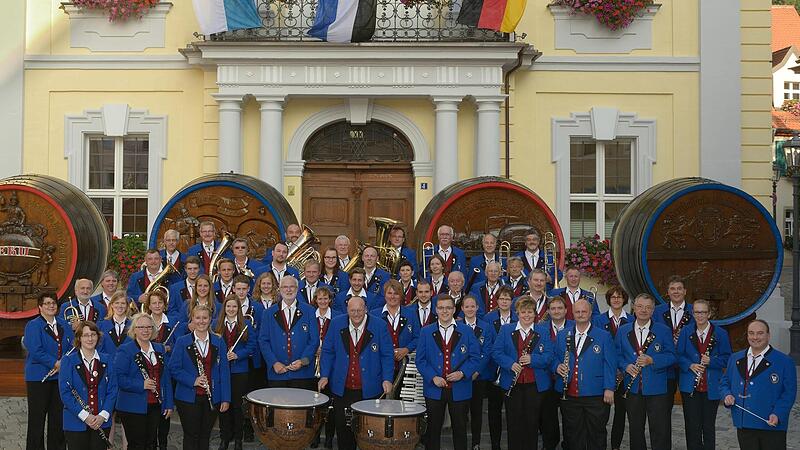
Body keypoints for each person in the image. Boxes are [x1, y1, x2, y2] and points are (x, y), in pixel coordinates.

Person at [318, 296, 394, 450]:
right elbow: (327, 351)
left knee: (369, 431)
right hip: (342, 389)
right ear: (347, 310)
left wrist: (387, 379)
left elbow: (387, 354)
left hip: (370, 389)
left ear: (366, 309)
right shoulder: (336, 323)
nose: (356, 314)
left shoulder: (379, 325)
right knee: (343, 430)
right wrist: (325, 375)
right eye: (352, 310)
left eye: (360, 310)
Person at [416, 294, 480, 450]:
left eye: (448, 308)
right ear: (436, 310)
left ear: (454, 310)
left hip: (460, 389)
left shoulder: (466, 330)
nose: (445, 311)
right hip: (434, 389)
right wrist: (433, 377)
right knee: (433, 430)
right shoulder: (426, 331)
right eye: (441, 308)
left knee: (460, 429)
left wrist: (463, 373)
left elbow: (475, 357)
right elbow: (420, 360)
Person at [721, 319, 796, 450]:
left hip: (771, 424)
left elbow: (789, 393)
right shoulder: (735, 358)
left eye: (760, 333)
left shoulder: (784, 361)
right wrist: (727, 395)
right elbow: (724, 382)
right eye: (751, 333)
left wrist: (778, 413)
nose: (755, 337)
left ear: (768, 335)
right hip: (745, 424)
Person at [492, 296, 554, 450]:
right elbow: (496, 352)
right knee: (513, 422)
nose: (527, 315)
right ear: (517, 313)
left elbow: (549, 356)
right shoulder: (506, 330)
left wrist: (533, 359)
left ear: (535, 314)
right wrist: (510, 364)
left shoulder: (543, 331)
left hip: (535, 385)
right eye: (523, 312)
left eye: (530, 312)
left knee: (532, 422)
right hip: (513, 384)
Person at [554, 299, 616, 450]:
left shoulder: (603, 335)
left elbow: (610, 364)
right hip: (569, 394)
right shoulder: (563, 335)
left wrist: (609, 388)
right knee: (573, 433)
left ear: (590, 313)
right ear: (572, 314)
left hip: (595, 394)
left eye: (584, 311)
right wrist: (557, 366)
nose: (581, 315)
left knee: (596, 433)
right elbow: (554, 357)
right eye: (577, 312)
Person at [616, 293, 676, 450]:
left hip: (657, 389)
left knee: (660, 430)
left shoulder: (663, 330)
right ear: (634, 308)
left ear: (653, 310)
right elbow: (617, 355)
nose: (644, 310)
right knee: (635, 430)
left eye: (648, 307)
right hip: (633, 389)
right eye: (640, 306)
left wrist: (653, 360)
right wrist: (625, 366)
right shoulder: (623, 331)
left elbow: (672, 356)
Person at [169, 304, 231, 450]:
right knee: (191, 435)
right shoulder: (182, 341)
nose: (201, 321)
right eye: (198, 318)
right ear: (192, 319)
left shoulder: (218, 341)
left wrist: (225, 398)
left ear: (210, 320)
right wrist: (193, 380)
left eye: (205, 318)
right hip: (188, 398)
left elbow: (224, 371)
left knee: (205, 435)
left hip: (213, 396)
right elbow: (173, 368)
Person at [676, 299, 732, 450]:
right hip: (690, 387)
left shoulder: (720, 333)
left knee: (708, 426)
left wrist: (712, 361)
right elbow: (678, 355)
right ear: (692, 313)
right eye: (697, 312)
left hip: (711, 387)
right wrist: (690, 365)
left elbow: (727, 359)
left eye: (703, 312)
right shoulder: (686, 331)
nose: (700, 315)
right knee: (692, 426)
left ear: (709, 313)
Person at [115, 313, 174, 450]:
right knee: (137, 445)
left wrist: (169, 404)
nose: (145, 330)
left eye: (148, 327)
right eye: (141, 327)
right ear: (134, 330)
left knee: (151, 443)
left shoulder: (159, 348)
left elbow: (165, 378)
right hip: (132, 406)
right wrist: (141, 384)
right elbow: (119, 378)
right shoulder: (125, 350)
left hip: (155, 404)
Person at [25, 292, 74, 450]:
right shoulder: (33, 325)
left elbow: (72, 346)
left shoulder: (63, 324)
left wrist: (64, 363)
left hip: (59, 377)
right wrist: (54, 363)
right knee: (37, 418)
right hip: (38, 378)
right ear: (40, 307)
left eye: (53, 303)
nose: (51, 306)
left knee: (58, 418)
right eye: (47, 303)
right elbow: (35, 350)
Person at [58, 320, 118, 450]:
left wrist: (103, 415)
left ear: (98, 336)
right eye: (85, 335)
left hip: (101, 421)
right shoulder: (68, 360)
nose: (90, 338)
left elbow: (112, 390)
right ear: (79, 338)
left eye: (93, 334)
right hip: (75, 422)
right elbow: (65, 393)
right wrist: (85, 416)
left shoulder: (107, 360)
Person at [259, 275, 319, 390]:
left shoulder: (309, 311)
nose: (288, 290)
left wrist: (303, 361)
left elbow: (314, 340)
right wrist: (274, 363)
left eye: (292, 287)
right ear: (279, 290)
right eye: (285, 287)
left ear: (297, 289)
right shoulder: (268, 313)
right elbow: (263, 341)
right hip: (277, 373)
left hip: (302, 374)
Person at [591, 285, 631, 450]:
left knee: (620, 414)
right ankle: (599, 445)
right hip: (604, 372)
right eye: (613, 297)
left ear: (624, 300)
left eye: (619, 297)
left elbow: (631, 348)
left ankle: (615, 446)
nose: (616, 299)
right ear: (608, 300)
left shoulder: (631, 320)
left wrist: (621, 369)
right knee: (601, 414)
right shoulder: (598, 320)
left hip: (623, 373)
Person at [215, 295, 257, 450]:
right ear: (224, 308)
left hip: (239, 370)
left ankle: (238, 438)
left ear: (238, 309)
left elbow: (252, 345)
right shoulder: (216, 324)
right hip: (221, 371)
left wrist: (238, 355)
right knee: (223, 403)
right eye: (228, 306)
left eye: (234, 307)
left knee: (237, 406)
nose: (231, 309)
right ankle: (224, 437)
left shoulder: (245, 324)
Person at [462, 294, 499, 450]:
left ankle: (475, 443)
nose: (470, 309)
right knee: (461, 413)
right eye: (467, 306)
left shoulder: (486, 327)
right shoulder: (457, 326)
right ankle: (462, 443)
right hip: (462, 376)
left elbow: (487, 350)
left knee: (477, 411)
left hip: (479, 376)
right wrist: (466, 372)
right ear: (462, 308)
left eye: (473, 306)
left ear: (477, 308)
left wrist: (476, 370)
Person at [371, 280, 418, 398]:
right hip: (379, 367)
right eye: (389, 293)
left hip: (404, 368)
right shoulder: (374, 315)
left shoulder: (411, 314)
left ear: (401, 296)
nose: (393, 296)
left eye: (396, 293)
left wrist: (406, 349)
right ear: (384, 294)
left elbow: (418, 337)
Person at [539, 295, 573, 450]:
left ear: (566, 310)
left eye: (560, 308)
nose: (557, 311)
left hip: (568, 379)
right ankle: (550, 445)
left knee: (569, 417)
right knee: (548, 416)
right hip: (546, 378)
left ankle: (568, 444)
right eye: (553, 308)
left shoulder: (575, 326)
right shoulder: (540, 328)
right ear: (548, 311)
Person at [653, 275, 694, 406]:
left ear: (685, 291)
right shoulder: (657, 311)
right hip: (666, 366)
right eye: (673, 289)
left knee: (690, 407)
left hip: (687, 364)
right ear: (668, 291)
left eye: (679, 288)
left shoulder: (694, 311)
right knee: (664, 407)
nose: (676, 291)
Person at [144, 290, 176, 450]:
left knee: (165, 408)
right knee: (150, 410)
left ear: (165, 305)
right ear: (148, 305)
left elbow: (178, 347)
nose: (157, 305)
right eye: (154, 303)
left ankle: (162, 443)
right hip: (148, 372)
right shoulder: (144, 323)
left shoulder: (173, 323)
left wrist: (169, 348)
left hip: (166, 372)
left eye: (160, 302)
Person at [311, 287, 336, 449]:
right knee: (315, 402)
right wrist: (315, 349)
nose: (323, 301)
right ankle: (315, 435)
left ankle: (329, 436)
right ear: (315, 300)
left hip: (331, 366)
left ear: (330, 300)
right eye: (320, 299)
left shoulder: (337, 318)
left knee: (331, 404)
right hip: (313, 364)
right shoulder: (310, 317)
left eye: (325, 298)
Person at [168, 256, 202, 323]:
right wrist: (183, 320)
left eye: (195, 268)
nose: (192, 271)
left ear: (199, 269)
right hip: (183, 327)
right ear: (185, 269)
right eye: (189, 269)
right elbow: (172, 311)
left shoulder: (206, 287)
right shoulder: (175, 288)